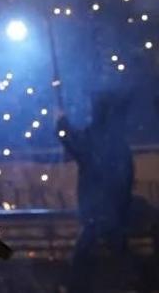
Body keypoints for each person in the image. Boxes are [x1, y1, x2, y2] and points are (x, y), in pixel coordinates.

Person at [56, 93, 135, 292]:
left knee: (85, 255)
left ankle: (76, 288)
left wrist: (61, 123)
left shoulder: (95, 138)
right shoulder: (119, 141)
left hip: (98, 209)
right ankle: (132, 285)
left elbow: (74, 143)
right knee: (117, 250)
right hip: (114, 207)